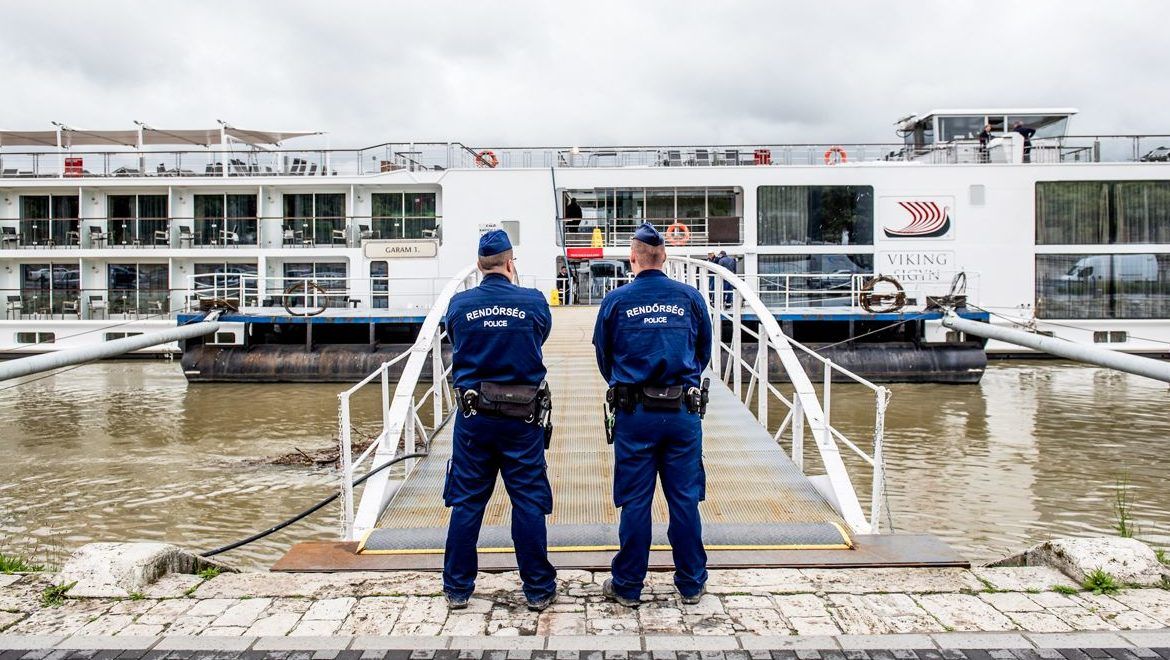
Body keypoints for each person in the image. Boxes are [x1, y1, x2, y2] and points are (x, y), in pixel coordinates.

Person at [592, 222, 713, 608]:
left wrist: (628, 383)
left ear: (634, 259)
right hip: (682, 413)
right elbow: (704, 352)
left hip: (636, 413)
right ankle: (691, 583)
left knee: (635, 501)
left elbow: (604, 357)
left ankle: (628, 586)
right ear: (664, 257)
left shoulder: (616, 301)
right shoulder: (690, 298)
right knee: (684, 500)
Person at [442, 229, 558, 612]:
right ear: (511, 263)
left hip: (474, 419)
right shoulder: (533, 301)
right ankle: (538, 589)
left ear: (479, 265)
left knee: (468, 502)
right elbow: (539, 337)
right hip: (522, 419)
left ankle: (458, 588)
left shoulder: (459, 305)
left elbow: (456, 339)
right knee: (527, 501)